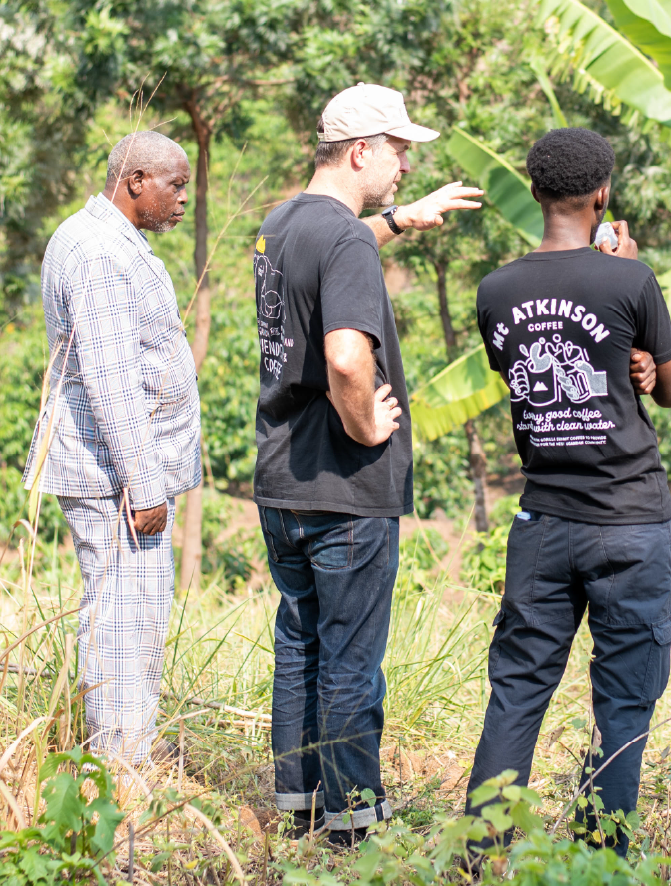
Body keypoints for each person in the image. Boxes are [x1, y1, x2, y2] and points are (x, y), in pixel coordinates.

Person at [252, 82, 483, 844]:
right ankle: (357, 825)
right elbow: (348, 357)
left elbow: (332, 253)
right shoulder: (345, 238)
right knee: (352, 660)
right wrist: (368, 428)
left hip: (283, 478)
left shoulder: (283, 223)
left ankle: (302, 809)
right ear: (361, 151)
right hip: (343, 488)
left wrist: (393, 223)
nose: (407, 164)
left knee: (301, 644)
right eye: (399, 150)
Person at [465, 127, 671, 856]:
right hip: (631, 520)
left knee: (518, 691)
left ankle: (481, 853)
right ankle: (600, 858)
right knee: (623, 701)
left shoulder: (495, 290)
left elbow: (520, 378)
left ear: (532, 191)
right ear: (604, 195)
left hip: (544, 521)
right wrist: (647, 363)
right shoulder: (631, 280)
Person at [23, 129, 200, 767]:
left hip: (115, 470)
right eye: (175, 185)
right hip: (116, 477)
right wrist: (145, 482)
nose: (185, 198)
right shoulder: (99, 251)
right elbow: (109, 374)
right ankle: (122, 773)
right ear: (135, 183)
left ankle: (119, 759)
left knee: (124, 613)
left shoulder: (101, 237)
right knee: (126, 621)